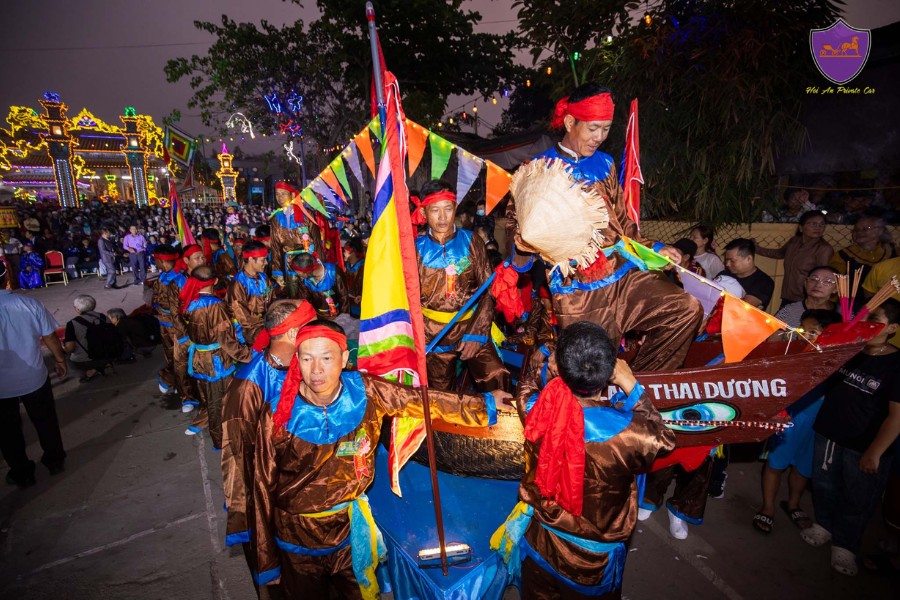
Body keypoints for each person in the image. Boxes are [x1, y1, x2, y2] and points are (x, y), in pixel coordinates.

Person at [244, 319, 511, 598]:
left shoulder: (366, 391)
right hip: (297, 540)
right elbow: (260, 488)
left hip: (350, 535)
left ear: (344, 358)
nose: (316, 369)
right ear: (296, 360)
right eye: (307, 358)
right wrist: (266, 561)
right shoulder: (278, 414)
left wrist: (484, 403)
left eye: (326, 358)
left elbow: (421, 400)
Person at [506, 82, 703, 371]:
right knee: (590, 370)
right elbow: (516, 244)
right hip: (577, 289)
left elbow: (623, 224)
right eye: (593, 128)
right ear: (570, 122)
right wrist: (522, 243)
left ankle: (641, 386)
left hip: (623, 273)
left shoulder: (605, 164)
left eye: (606, 129)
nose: (599, 137)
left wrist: (657, 248)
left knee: (685, 309)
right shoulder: (536, 170)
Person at [494, 321, 676, 598]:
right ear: (610, 372)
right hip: (590, 567)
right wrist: (630, 384)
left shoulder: (537, 409)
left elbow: (527, 386)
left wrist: (545, 364)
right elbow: (664, 439)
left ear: (560, 368)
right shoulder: (630, 434)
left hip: (540, 546)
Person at [221, 299, 315, 599]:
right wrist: (251, 513)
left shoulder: (304, 364)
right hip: (271, 497)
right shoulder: (248, 387)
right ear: (293, 333)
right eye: (311, 325)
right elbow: (238, 458)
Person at [802, 299, 900, 576]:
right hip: (830, 432)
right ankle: (824, 525)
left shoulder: (896, 364)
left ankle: (846, 545)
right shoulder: (850, 347)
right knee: (824, 484)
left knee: (858, 497)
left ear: (892, 328)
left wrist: (876, 451)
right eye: (863, 316)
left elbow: (897, 416)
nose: (865, 323)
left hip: (865, 443)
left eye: (875, 319)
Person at [413, 180, 510, 392]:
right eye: (435, 210)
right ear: (423, 213)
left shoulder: (472, 241)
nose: (442, 217)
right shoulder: (415, 250)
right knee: (442, 395)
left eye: (448, 209)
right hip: (433, 335)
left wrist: (476, 333)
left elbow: (488, 289)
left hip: (471, 325)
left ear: (455, 208)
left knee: (497, 376)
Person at [753, 309, 841, 535]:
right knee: (776, 462)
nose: (805, 336)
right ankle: (768, 507)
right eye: (803, 330)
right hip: (791, 417)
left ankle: (793, 504)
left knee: (804, 467)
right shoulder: (793, 354)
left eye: (813, 332)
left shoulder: (838, 359)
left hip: (818, 422)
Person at [0, 262, 67, 488]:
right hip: (33, 377)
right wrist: (59, 360)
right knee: (46, 421)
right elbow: (50, 337)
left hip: (2, 386)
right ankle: (55, 461)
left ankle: (22, 473)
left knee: (8, 432)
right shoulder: (28, 303)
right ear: (6, 278)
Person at [180, 265, 252, 447]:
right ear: (216, 281)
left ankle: (220, 437)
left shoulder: (190, 302)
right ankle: (223, 440)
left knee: (209, 400)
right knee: (220, 403)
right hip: (216, 362)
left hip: (200, 358)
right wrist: (247, 354)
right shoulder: (215, 305)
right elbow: (226, 339)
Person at [756, 210, 834, 310]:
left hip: (807, 299)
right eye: (813, 224)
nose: (818, 228)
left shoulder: (824, 249)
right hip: (788, 296)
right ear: (801, 227)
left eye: (821, 225)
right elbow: (779, 253)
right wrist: (756, 248)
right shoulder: (794, 242)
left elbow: (822, 276)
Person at [269, 182, 323, 298]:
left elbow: (317, 241)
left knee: (313, 294)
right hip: (289, 264)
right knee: (294, 297)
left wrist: (320, 265)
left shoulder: (307, 214)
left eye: (283, 194)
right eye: (277, 194)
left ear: (293, 195)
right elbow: (275, 246)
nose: (280, 197)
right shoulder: (276, 219)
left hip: (309, 261)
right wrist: (277, 272)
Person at [63, 295, 126, 383]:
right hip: (111, 354)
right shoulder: (103, 317)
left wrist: (63, 350)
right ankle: (105, 364)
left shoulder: (72, 323)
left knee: (64, 357)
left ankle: (91, 371)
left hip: (88, 359)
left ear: (77, 309)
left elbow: (70, 348)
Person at [226, 240, 274, 350]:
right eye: (263, 260)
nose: (266, 263)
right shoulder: (238, 283)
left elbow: (272, 299)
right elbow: (242, 315)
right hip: (247, 328)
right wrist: (264, 323)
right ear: (251, 259)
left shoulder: (263, 277)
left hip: (264, 322)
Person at [150, 244, 184, 396]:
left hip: (176, 325)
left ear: (161, 260)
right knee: (169, 355)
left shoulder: (179, 279)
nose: (155, 263)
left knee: (179, 357)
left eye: (155, 260)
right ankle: (178, 383)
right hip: (163, 323)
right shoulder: (162, 276)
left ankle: (170, 379)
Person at [830, 214, 896, 281]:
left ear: (880, 231)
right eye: (856, 229)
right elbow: (833, 279)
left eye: (865, 229)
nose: (859, 232)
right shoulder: (843, 255)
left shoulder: (894, 251)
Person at [773, 266, 840, 328]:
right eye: (813, 279)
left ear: (836, 289)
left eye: (827, 281)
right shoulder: (789, 311)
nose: (818, 285)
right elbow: (773, 336)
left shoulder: (843, 312)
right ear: (805, 283)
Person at [291, 252, 349, 319]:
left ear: (306, 273)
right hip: (317, 315)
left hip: (337, 314)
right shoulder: (304, 280)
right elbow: (304, 299)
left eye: (298, 273)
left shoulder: (334, 273)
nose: (297, 275)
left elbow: (344, 297)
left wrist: (343, 318)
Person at [721, 238, 775, 310]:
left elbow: (741, 308)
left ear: (749, 259)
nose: (727, 264)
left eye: (732, 261)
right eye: (726, 260)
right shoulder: (723, 275)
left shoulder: (764, 282)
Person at [342, 237, 365, 318]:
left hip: (361, 308)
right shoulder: (345, 265)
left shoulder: (364, 267)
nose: (343, 253)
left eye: (345, 251)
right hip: (348, 306)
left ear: (352, 252)